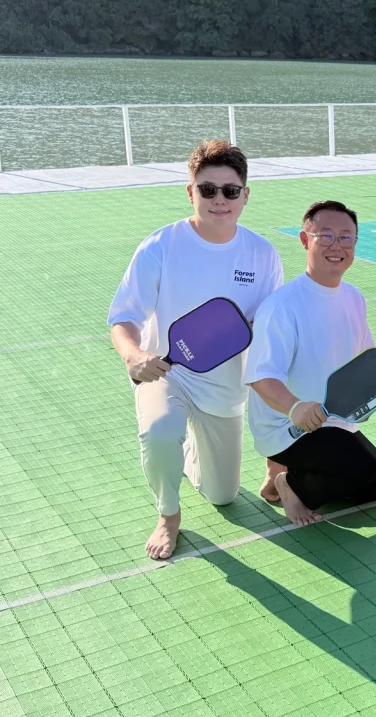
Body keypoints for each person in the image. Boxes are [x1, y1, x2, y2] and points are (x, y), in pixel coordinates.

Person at [108, 140, 283, 560]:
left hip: (224, 386)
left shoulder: (262, 254)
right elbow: (124, 318)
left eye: (230, 190)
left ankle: (186, 449)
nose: (219, 199)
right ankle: (168, 513)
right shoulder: (160, 246)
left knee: (223, 495)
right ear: (191, 192)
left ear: (245, 195)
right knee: (159, 430)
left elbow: (268, 332)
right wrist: (133, 356)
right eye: (207, 189)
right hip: (165, 371)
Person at [245, 200, 376, 526]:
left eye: (346, 238)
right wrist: (295, 408)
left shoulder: (353, 297)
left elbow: (363, 362)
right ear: (304, 240)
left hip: (333, 422)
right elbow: (260, 377)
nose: (336, 246)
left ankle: (292, 474)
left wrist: (362, 402)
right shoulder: (282, 306)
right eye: (325, 236)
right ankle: (289, 484)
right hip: (289, 427)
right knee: (361, 467)